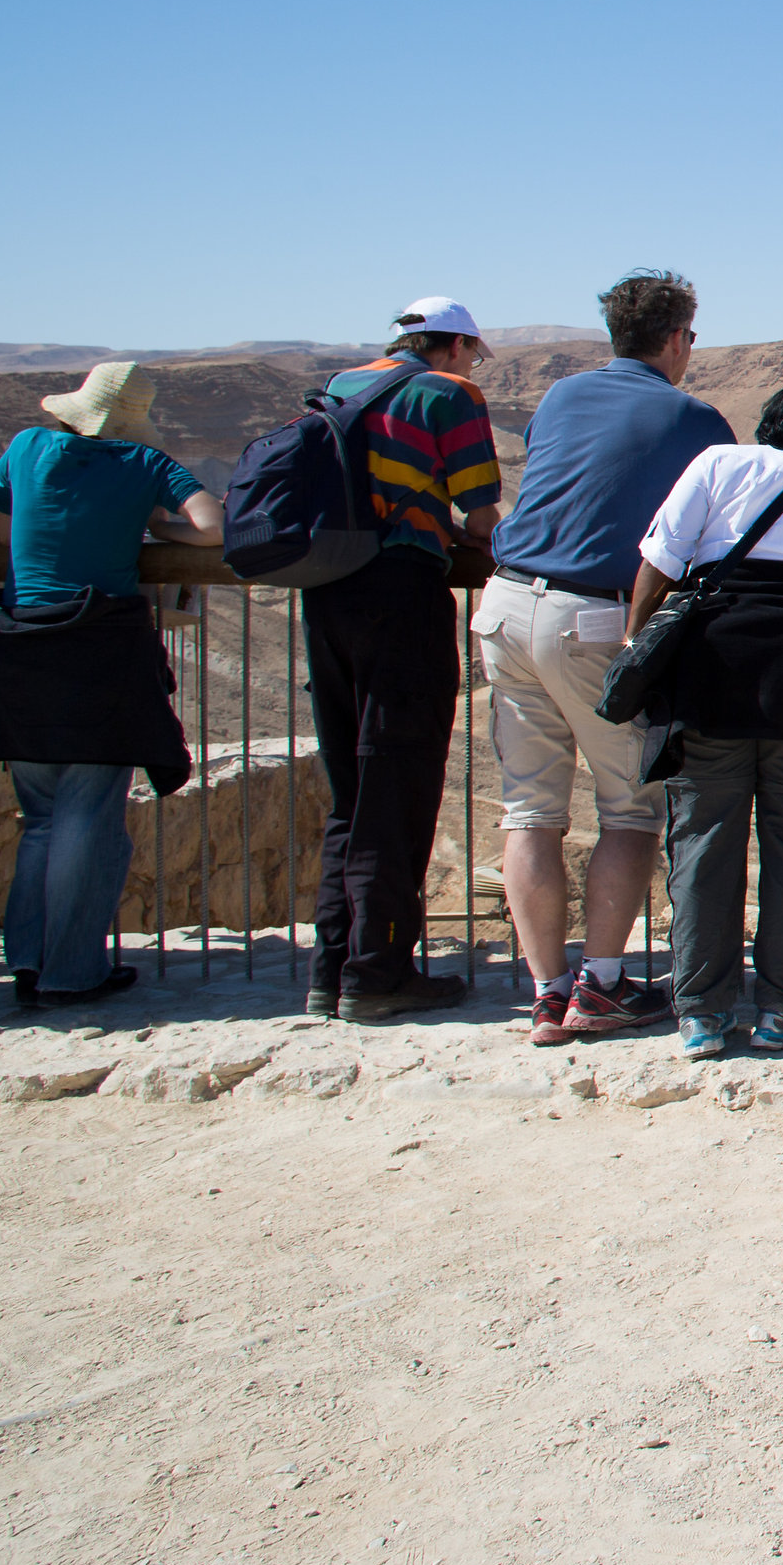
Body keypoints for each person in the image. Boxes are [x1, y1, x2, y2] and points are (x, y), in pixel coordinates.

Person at [474, 270, 732, 1045]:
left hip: (504, 603)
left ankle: (547, 992)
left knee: (530, 808)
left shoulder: (559, 396)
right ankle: (605, 984)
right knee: (629, 806)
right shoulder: (695, 418)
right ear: (678, 337)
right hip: (590, 616)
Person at [631, 375, 783, 1061]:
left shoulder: (718, 463)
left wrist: (637, 644)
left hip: (713, 671)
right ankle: (780, 1008)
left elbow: (659, 561)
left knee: (705, 841)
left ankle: (702, 1015)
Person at [0, 363, 223, 1010]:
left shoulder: (24, 446)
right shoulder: (144, 461)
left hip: (18, 647)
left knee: (43, 818)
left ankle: (27, 961)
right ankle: (72, 972)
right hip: (98, 652)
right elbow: (212, 526)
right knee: (87, 815)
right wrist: (159, 528)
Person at [304, 300, 503, 1023]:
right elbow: (481, 514)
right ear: (452, 345)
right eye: (472, 351)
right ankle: (379, 970)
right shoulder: (448, 395)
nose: (473, 363)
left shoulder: (342, 384)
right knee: (400, 776)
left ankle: (332, 966)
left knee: (351, 787)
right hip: (399, 590)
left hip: (326, 587)